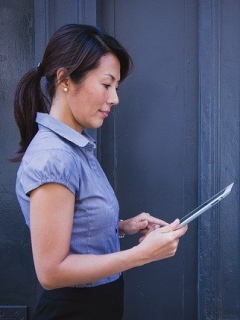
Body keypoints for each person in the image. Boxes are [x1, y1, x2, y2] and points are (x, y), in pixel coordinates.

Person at [12, 23, 188, 320]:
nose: (115, 98)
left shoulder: (75, 147)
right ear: (65, 79)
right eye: (107, 85)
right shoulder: (54, 156)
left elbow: (73, 225)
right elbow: (51, 272)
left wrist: (121, 226)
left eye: (116, 87)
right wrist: (141, 255)